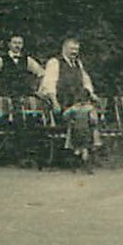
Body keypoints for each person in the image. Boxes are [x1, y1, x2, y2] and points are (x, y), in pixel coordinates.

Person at [40, 37, 102, 174]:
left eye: (77, 49)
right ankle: (82, 154)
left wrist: (92, 94)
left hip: (80, 102)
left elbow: (86, 82)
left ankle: (81, 152)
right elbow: (49, 84)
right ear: (64, 49)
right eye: (72, 49)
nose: (74, 52)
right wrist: (54, 102)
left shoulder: (78, 64)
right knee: (81, 114)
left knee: (89, 113)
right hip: (64, 104)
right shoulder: (55, 63)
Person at [0, 35, 43, 113]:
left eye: (20, 43)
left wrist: (38, 87)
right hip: (5, 90)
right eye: (15, 43)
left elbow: (42, 73)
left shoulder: (28, 60)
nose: (17, 46)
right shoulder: (1, 60)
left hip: (23, 90)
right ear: (9, 44)